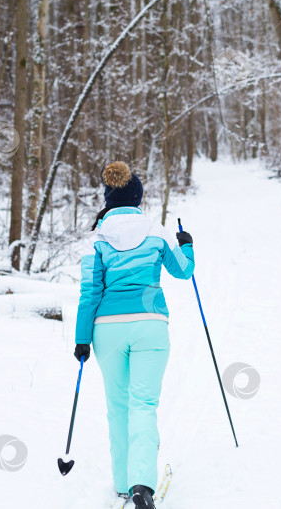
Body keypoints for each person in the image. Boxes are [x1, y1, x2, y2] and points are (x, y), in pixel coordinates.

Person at [74, 161, 194, 509]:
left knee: (118, 407)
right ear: (137, 197)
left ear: (108, 198)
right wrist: (186, 245)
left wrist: (82, 339)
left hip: (106, 331)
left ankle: (125, 484)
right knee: (144, 405)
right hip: (149, 326)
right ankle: (143, 483)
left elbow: (89, 293)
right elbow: (183, 271)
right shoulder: (155, 231)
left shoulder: (96, 239)